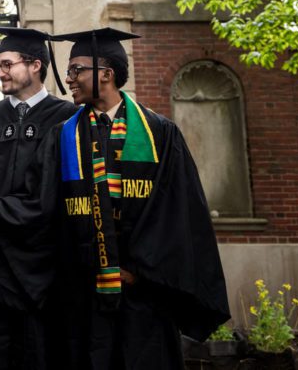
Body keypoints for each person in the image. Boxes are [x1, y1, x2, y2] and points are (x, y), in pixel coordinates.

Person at [51, 27, 228, 369]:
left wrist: (138, 271)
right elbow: (51, 209)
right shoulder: (63, 136)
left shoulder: (158, 132)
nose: (69, 79)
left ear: (106, 73)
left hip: (145, 296)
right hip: (83, 296)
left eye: (76, 70)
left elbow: (178, 211)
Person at [0, 26, 77, 370]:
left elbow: (58, 195)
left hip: (44, 258)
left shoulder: (65, 118)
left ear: (34, 65)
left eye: (7, 64)